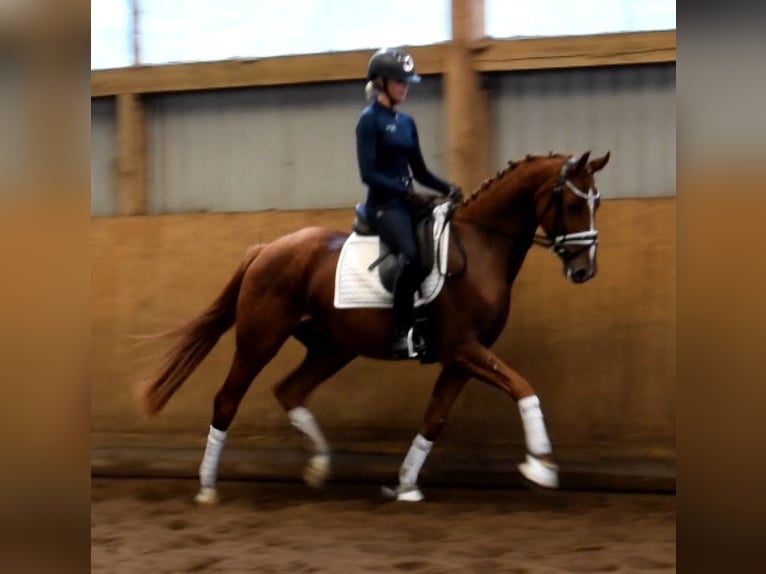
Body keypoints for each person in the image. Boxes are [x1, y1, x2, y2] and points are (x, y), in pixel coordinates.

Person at [355, 47, 463, 358]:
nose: (405, 87)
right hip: (383, 206)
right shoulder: (368, 121)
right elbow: (369, 174)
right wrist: (405, 192)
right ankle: (400, 332)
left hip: (407, 202)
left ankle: (429, 321)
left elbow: (421, 171)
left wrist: (449, 188)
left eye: (407, 82)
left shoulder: (406, 123)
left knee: (440, 250)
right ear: (381, 82)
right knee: (412, 258)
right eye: (399, 81)